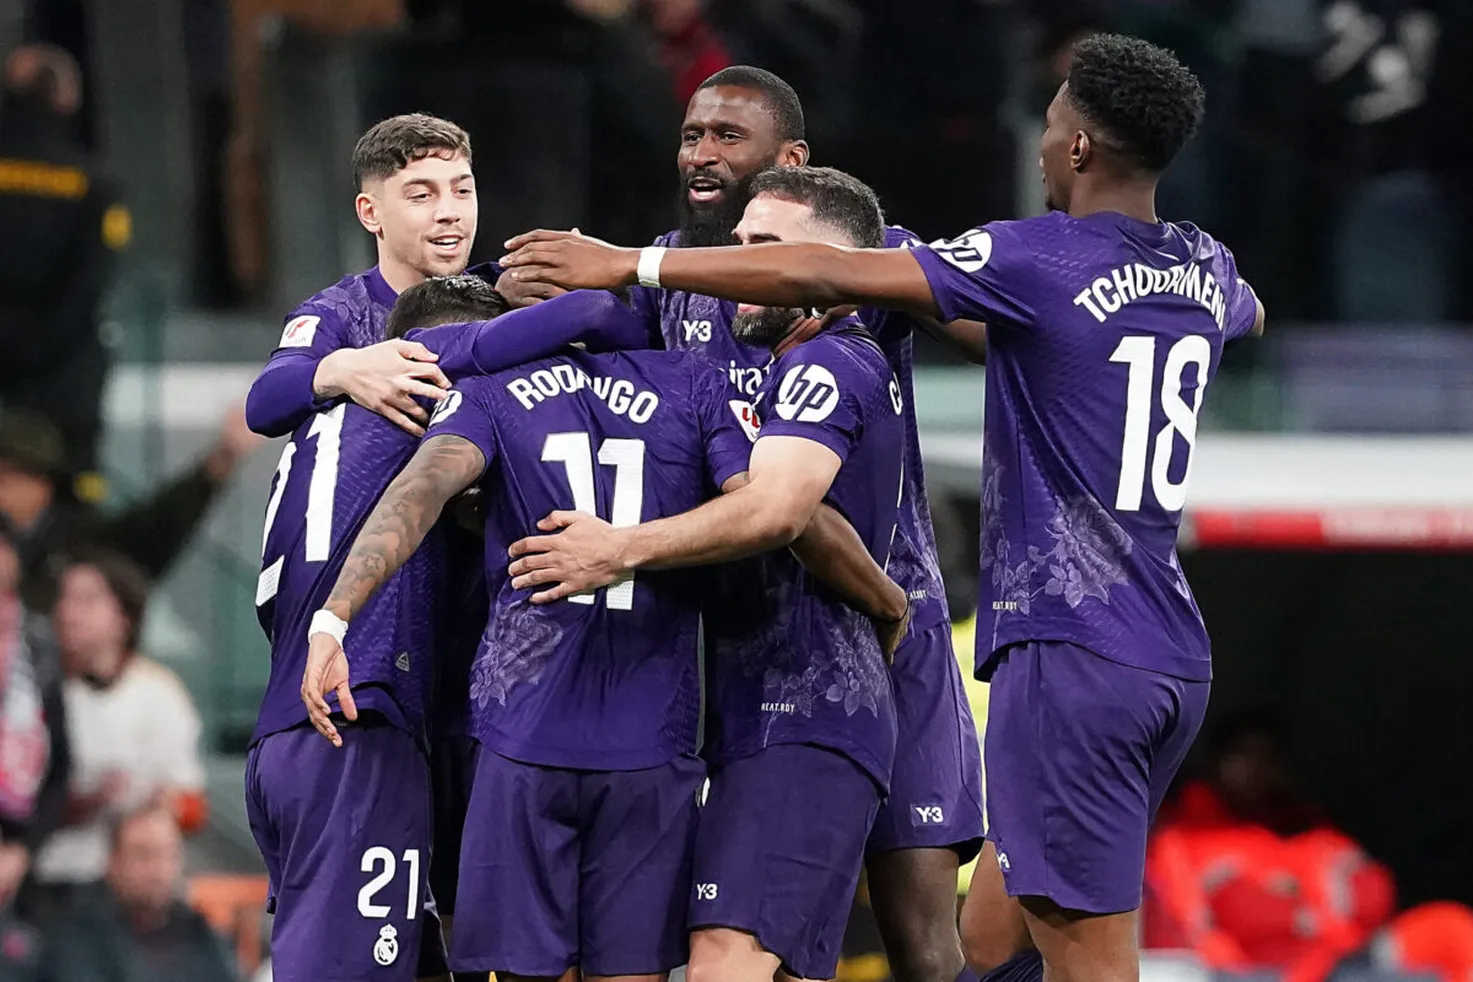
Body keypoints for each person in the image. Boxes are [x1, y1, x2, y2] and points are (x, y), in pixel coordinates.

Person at [499, 33, 1266, 982]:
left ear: (1076, 147)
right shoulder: (1202, 263)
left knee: (1089, 964)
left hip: (1071, 648)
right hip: (1166, 650)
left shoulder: (1029, 257)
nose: (1038, 140)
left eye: (1051, 121)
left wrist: (630, 265)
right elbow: (1248, 311)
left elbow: (821, 278)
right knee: (987, 951)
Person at [501, 65, 988, 982]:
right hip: (739, 645)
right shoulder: (662, 276)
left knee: (920, 945)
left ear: (789, 160)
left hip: (886, 626)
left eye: (729, 137)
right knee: (761, 942)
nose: (702, 153)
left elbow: (993, 331)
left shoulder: (858, 252)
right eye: (692, 134)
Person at [301, 268, 906, 982]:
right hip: (651, 743)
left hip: (523, 736)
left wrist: (334, 618)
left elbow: (419, 491)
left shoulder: (492, 389)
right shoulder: (696, 382)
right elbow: (778, 515)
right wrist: (884, 596)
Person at [243, 113, 488, 440]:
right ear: (371, 213)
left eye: (462, 191)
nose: (449, 213)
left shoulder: (504, 290)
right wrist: (340, 369)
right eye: (421, 196)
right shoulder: (339, 313)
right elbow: (263, 403)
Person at [31, 553, 207, 925]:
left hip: (138, 890)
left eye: (87, 600)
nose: (68, 613)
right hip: (55, 880)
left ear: (124, 616)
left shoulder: (159, 692)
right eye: (65, 599)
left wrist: (160, 805)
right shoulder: (36, 688)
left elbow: (193, 806)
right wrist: (81, 802)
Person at [0, 44, 129, 476]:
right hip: (62, 377)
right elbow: (90, 283)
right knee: (71, 483)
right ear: (66, 99)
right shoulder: (94, 184)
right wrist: (42, 347)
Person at [0, 408, 261, 613]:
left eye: (9, 477)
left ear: (43, 484)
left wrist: (222, 458)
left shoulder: (81, 541)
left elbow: (157, 527)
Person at [38, 806, 240, 982]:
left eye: (169, 854)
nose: (159, 870)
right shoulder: (77, 934)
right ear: (113, 861)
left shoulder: (200, 933)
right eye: (144, 855)